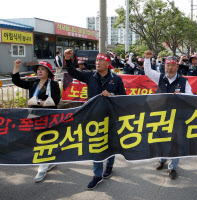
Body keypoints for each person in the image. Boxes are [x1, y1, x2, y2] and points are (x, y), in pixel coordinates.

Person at [64, 49, 126, 190]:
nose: (98, 63)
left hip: (110, 117)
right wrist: (68, 59)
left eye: (101, 60)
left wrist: (112, 94)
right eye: (97, 60)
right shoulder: (90, 76)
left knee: (110, 144)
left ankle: (109, 166)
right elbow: (73, 72)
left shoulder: (116, 79)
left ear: (108, 63)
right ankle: (97, 175)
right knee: (96, 145)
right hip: (93, 117)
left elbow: (123, 96)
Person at [143, 50, 193, 180]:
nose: (169, 68)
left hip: (177, 117)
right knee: (161, 138)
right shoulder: (159, 77)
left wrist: (183, 96)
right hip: (161, 116)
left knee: (176, 142)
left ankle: (173, 167)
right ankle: (162, 159)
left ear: (177, 66)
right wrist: (147, 59)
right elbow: (148, 72)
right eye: (167, 65)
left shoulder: (184, 81)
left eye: (172, 65)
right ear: (164, 66)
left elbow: (192, 97)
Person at [11, 59, 60, 183]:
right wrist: (16, 67)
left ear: (48, 72)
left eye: (42, 69)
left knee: (42, 142)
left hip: (47, 117)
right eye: (38, 69)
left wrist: (36, 102)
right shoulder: (33, 83)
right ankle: (49, 162)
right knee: (37, 141)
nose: (39, 71)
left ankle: (42, 168)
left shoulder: (53, 85)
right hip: (33, 117)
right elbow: (17, 81)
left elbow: (54, 101)